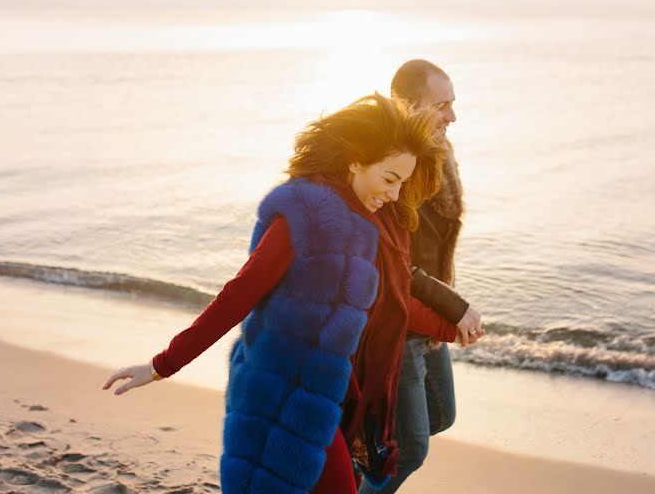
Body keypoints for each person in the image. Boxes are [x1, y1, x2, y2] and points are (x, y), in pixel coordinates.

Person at [103, 93, 465, 493]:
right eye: (389, 179)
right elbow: (237, 297)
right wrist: (161, 365)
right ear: (355, 161)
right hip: (282, 399)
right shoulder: (306, 217)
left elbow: (388, 301)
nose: (395, 195)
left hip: (331, 398)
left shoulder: (372, 224)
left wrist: (450, 326)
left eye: (402, 183)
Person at [358, 60, 483, 493]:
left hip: (426, 314)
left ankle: (349, 476)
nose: (452, 116)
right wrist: (454, 307)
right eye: (442, 105)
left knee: (440, 415)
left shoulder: (438, 156)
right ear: (408, 106)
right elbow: (393, 263)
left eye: (453, 104)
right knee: (410, 450)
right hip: (399, 318)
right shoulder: (396, 172)